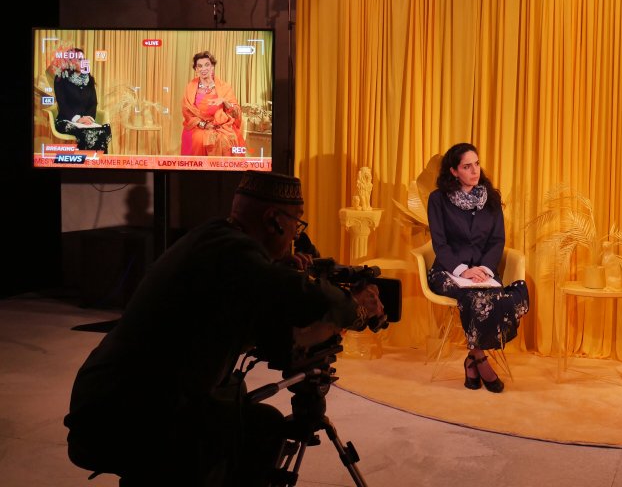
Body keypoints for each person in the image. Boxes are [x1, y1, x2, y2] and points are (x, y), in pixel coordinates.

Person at [64, 171, 385, 486]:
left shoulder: (215, 236)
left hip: (124, 397)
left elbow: (251, 302)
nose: (295, 237)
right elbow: (304, 297)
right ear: (274, 219)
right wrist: (356, 307)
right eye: (295, 224)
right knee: (241, 431)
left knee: (258, 421)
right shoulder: (233, 252)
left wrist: (275, 269)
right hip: (130, 413)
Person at [426, 143, 529, 393]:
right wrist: (463, 270)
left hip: (483, 272)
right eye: (467, 166)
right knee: (473, 297)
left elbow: (497, 241)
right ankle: (480, 359)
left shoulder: (491, 198)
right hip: (448, 271)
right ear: (453, 171)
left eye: (477, 164)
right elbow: (440, 244)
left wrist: (484, 268)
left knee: (513, 293)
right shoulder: (438, 199)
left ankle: (471, 360)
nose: (474, 171)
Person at [181, 50, 245, 156]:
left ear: (212, 66)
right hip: (199, 125)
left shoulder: (224, 87)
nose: (203, 69)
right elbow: (187, 111)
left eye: (207, 65)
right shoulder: (191, 87)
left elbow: (236, 112)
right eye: (200, 66)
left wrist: (225, 102)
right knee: (198, 139)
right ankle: (199, 171)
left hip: (222, 125)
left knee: (227, 139)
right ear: (196, 69)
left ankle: (225, 172)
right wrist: (204, 125)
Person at [49, 47, 113, 153]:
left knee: (105, 130)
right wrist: (78, 119)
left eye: (83, 59)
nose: (82, 62)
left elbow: (93, 103)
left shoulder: (89, 79)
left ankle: (98, 164)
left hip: (86, 121)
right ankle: (85, 164)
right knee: (88, 133)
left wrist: (90, 118)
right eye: (79, 59)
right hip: (67, 120)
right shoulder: (60, 78)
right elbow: (62, 104)